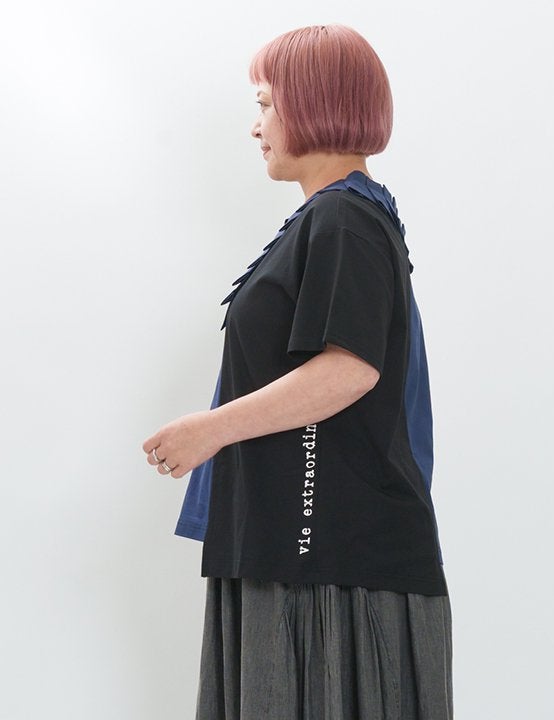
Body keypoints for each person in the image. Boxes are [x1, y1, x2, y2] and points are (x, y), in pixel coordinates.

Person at [142, 24, 453, 720]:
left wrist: (210, 430)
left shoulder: (344, 220)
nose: (256, 127)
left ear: (313, 104)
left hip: (328, 563)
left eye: (265, 104)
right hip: (302, 551)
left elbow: (349, 370)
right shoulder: (336, 218)